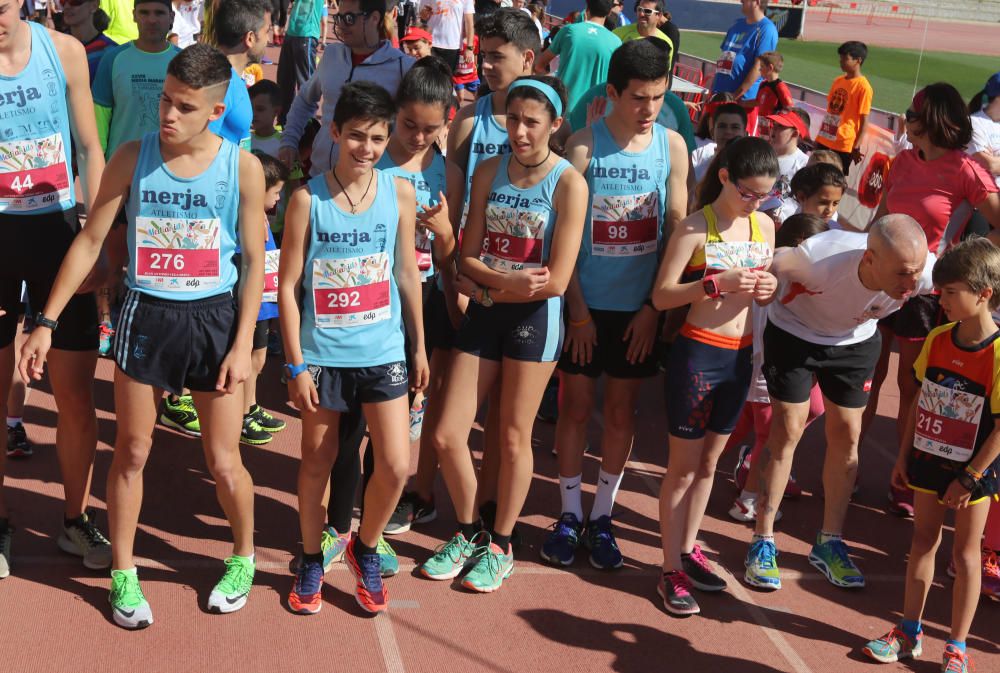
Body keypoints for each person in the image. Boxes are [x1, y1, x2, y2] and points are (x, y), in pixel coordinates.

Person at [20, 43, 266, 628]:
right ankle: (124, 573)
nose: (168, 115)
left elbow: (255, 262)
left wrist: (241, 345)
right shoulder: (133, 156)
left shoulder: (243, 168)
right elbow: (88, 241)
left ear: (215, 110)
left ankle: (244, 557)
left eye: (184, 106)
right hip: (146, 318)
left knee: (223, 459)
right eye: (164, 100)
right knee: (131, 450)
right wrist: (47, 321)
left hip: (213, 321)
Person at [419, 76, 586, 594]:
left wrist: (489, 286)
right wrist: (506, 282)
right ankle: (469, 531)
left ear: (554, 125)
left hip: (534, 323)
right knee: (448, 433)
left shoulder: (568, 183)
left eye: (532, 122)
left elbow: (556, 281)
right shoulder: (489, 170)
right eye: (512, 119)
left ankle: (502, 544)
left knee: (512, 437)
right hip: (492, 311)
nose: (519, 131)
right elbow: (466, 258)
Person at [279, 81, 428, 614]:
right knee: (316, 463)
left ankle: (365, 547)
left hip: (384, 352)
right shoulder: (306, 199)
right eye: (358, 136)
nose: (367, 148)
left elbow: (408, 273)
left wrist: (419, 347)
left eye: (379, 138)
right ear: (336, 133)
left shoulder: (400, 193)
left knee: (395, 464)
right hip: (323, 359)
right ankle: (312, 557)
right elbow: (288, 288)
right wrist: (297, 363)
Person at [542, 38, 688, 571]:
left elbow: (676, 231)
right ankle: (568, 512)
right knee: (576, 407)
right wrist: (576, 311)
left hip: (637, 311)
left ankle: (602, 514)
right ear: (612, 94)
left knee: (623, 412)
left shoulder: (671, 146)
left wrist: (655, 309)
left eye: (657, 97)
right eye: (637, 99)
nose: (648, 109)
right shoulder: (581, 148)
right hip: (585, 306)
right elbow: (563, 239)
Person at [745, 215, 935, 593]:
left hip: (855, 341)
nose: (911, 285)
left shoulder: (924, 272)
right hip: (794, 333)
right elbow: (774, 261)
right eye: (901, 274)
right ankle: (762, 540)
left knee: (848, 435)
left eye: (915, 273)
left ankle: (829, 541)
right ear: (869, 259)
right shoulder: (819, 260)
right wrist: (764, 287)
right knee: (788, 429)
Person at [0, 1, 108, 578]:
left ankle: (74, 517)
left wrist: (95, 235)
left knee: (75, 396)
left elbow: (90, 148)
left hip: (58, 237)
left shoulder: (62, 52)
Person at [652, 136, 777, 615]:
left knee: (709, 466)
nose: (755, 203)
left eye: (763, 195)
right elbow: (663, 296)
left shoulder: (765, 225)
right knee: (682, 469)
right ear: (724, 176)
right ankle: (667, 570)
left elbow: (764, 297)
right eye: (747, 193)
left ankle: (688, 550)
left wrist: (767, 288)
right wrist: (711, 284)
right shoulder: (695, 227)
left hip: (741, 356)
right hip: (698, 356)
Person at [862, 238, 1000, 673]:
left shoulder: (997, 352)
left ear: (984, 294)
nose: (942, 300)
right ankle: (908, 631)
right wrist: (903, 455)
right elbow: (922, 400)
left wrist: (972, 477)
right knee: (923, 541)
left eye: (951, 292)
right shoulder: (939, 337)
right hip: (927, 459)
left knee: (965, 555)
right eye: (939, 292)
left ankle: (957, 646)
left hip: (971, 472)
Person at [864, 83, 1000, 517]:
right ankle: (847, 465)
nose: (906, 117)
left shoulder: (965, 169)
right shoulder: (903, 160)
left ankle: (906, 479)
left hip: (925, 295)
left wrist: (956, 263)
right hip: (882, 281)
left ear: (934, 120)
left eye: (913, 112)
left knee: (913, 387)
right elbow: (882, 216)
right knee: (867, 378)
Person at [438, 8, 540, 541]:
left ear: (527, 58)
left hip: (526, 299)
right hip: (470, 285)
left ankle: (496, 519)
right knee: (448, 414)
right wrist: (455, 277)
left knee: (506, 425)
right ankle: (446, 506)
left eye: (496, 56)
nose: (484, 64)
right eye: (482, 54)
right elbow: (451, 204)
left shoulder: (550, 125)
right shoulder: (469, 119)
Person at [368, 58, 461, 543]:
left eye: (430, 129)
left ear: (447, 121)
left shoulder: (449, 172)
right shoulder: (373, 161)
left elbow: (451, 254)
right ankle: (365, 496)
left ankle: (406, 492)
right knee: (378, 405)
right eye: (408, 126)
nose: (418, 137)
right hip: (377, 296)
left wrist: (444, 234)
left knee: (417, 399)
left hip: (428, 297)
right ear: (394, 114)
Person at [727, 213, 828, 523]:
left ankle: (730, 461)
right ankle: (747, 499)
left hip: (796, 367)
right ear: (797, 248)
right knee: (768, 432)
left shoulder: (813, 279)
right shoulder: (772, 276)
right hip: (767, 369)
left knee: (813, 409)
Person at [279, 0, 415, 178]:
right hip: (319, 175)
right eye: (339, 17)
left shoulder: (402, 67)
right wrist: (289, 140)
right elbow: (305, 99)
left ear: (374, 18)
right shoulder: (331, 55)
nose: (341, 25)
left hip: (367, 187)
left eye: (349, 18)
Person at [238, 152, 289, 446]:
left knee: (258, 359)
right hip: (254, 302)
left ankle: (252, 405)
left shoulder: (263, 219)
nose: (279, 199)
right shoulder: (248, 219)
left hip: (266, 298)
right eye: (276, 192)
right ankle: (242, 415)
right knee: (251, 358)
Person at [92, 0, 179, 160]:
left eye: (159, 13)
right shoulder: (113, 59)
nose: (152, 20)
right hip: (121, 168)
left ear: (171, 17)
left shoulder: (183, 61)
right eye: (144, 12)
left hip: (170, 167)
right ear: (134, 16)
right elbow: (99, 125)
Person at [533, 0, 621, 112]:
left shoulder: (568, 31)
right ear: (609, 12)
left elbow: (539, 65)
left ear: (587, 8)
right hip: (594, 113)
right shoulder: (616, 42)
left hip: (562, 108)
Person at [209, 0, 270, 150]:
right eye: (266, 31)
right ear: (250, 38)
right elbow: (201, 149)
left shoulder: (232, 78)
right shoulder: (221, 82)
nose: (268, 39)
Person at [710, 0, 777, 135]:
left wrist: (734, 97)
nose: (740, 1)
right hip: (720, 99)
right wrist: (713, 91)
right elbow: (723, 59)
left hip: (742, 104)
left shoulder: (766, 29)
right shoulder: (736, 25)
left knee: (739, 148)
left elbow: (759, 66)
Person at [815, 41, 872, 176]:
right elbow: (831, 110)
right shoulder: (838, 81)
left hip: (843, 143)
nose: (840, 61)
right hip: (825, 136)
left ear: (858, 60)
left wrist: (856, 146)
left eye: (845, 58)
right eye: (840, 58)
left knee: (834, 181)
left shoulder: (863, 87)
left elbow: (864, 121)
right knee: (815, 176)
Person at [276, 0, 324, 126]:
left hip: (306, 34)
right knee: (284, 81)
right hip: (291, 32)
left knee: (306, 84)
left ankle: (308, 125)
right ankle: (283, 123)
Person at [759, 108, 810, 223]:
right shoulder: (762, 154)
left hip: (783, 225)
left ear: (795, 133)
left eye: (781, 126)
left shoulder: (804, 164)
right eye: (774, 124)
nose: (774, 129)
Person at [690, 102, 747, 186]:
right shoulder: (697, 171)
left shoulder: (750, 172)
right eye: (722, 126)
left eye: (735, 127)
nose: (728, 132)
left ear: (745, 134)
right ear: (712, 132)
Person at [64, 0, 117, 83]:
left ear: (94, 6)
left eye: (74, 2)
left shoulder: (110, 52)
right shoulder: (52, 45)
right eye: (62, 1)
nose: (66, 6)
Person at [417, 0, 473, 73]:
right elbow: (422, 16)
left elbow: (469, 22)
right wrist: (424, 14)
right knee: (429, 76)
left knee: (447, 79)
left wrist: (469, 47)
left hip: (452, 44)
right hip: (430, 42)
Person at [612, 0, 673, 67]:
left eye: (647, 11)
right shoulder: (617, 34)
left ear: (658, 15)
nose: (641, 14)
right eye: (639, 9)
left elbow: (663, 75)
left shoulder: (666, 43)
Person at [968, 71, 1000, 188]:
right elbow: (989, 165)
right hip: (989, 197)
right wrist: (992, 161)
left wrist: (995, 159)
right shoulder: (974, 122)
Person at [753, 51, 793, 118]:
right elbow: (757, 102)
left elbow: (790, 109)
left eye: (762, 66)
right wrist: (741, 103)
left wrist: (775, 119)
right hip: (760, 125)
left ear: (770, 68)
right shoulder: (763, 84)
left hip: (772, 127)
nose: (759, 69)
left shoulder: (781, 87)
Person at [249, 79, 283, 157]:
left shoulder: (283, 144)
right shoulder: (244, 138)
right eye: (250, 109)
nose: (253, 114)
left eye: (260, 109)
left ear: (276, 111)